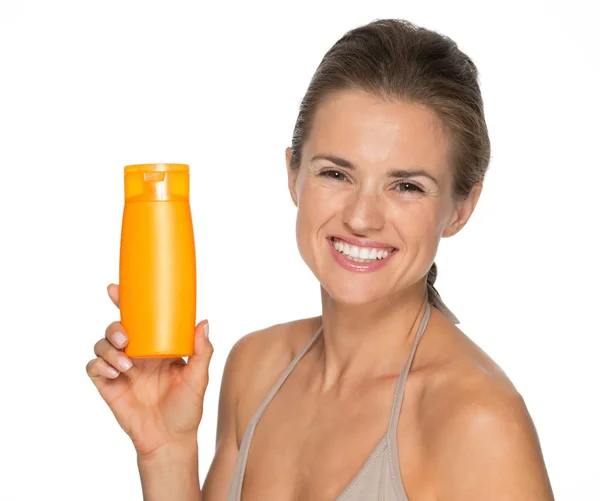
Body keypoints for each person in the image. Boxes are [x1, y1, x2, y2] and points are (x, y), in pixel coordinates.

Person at [86, 18, 555, 501]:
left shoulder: (478, 422)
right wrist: (166, 449)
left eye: (407, 186)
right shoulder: (255, 369)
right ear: (294, 175)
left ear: (460, 209)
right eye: (336, 173)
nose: (362, 217)